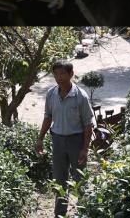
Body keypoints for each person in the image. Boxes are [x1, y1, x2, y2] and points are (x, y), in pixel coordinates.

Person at [36, 60, 95, 218]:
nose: (59, 77)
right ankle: (60, 214)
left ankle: (85, 212)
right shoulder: (51, 94)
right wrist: (40, 138)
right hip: (58, 142)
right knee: (59, 180)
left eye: (62, 73)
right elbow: (48, 117)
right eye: (56, 74)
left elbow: (88, 125)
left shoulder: (80, 96)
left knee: (80, 179)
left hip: (76, 141)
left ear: (71, 74)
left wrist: (85, 149)